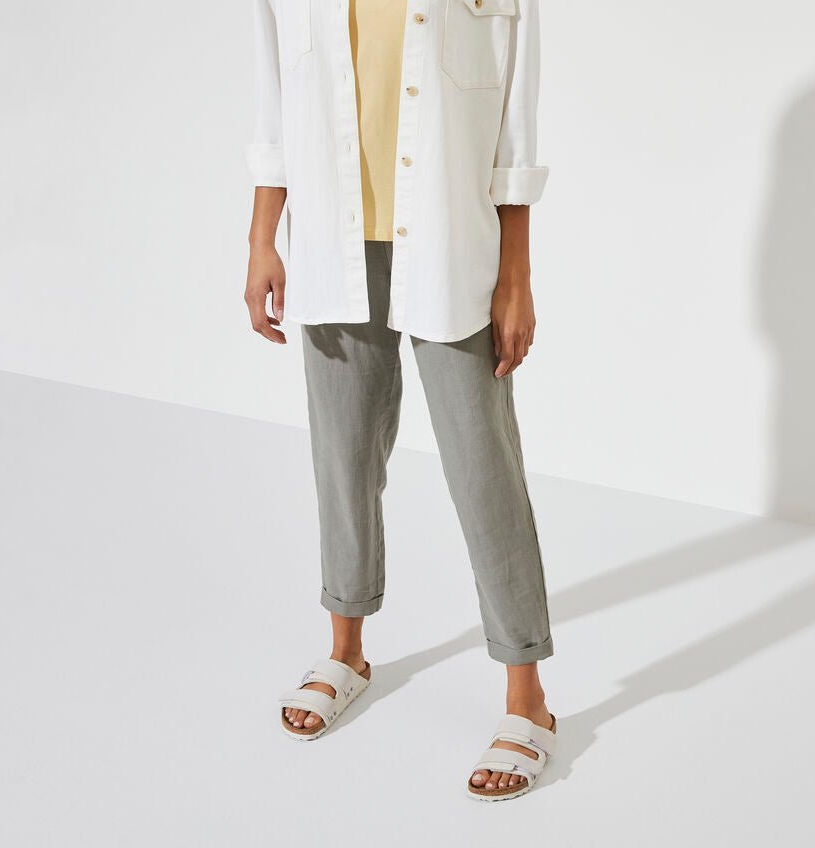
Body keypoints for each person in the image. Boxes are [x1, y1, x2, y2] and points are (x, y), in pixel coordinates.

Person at [244, 0, 555, 801]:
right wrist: (261, 238)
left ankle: (527, 698)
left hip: (452, 241)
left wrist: (516, 272)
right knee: (342, 457)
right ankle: (345, 650)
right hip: (330, 235)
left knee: (483, 467)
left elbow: (515, 111)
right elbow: (274, 93)